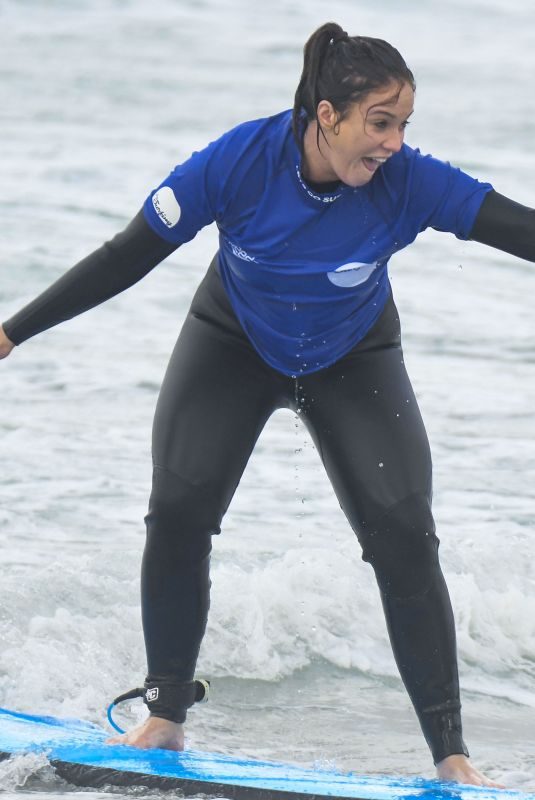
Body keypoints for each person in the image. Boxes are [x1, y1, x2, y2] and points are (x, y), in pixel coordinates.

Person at [1, 20, 533, 787]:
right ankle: (164, 716)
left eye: (403, 125)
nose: (392, 142)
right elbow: (127, 255)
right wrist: (12, 333)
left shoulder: (409, 182)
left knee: (404, 536)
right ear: (326, 115)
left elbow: (518, 227)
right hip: (232, 342)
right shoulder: (239, 162)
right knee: (179, 510)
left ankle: (452, 758)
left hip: (355, 355)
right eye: (379, 123)